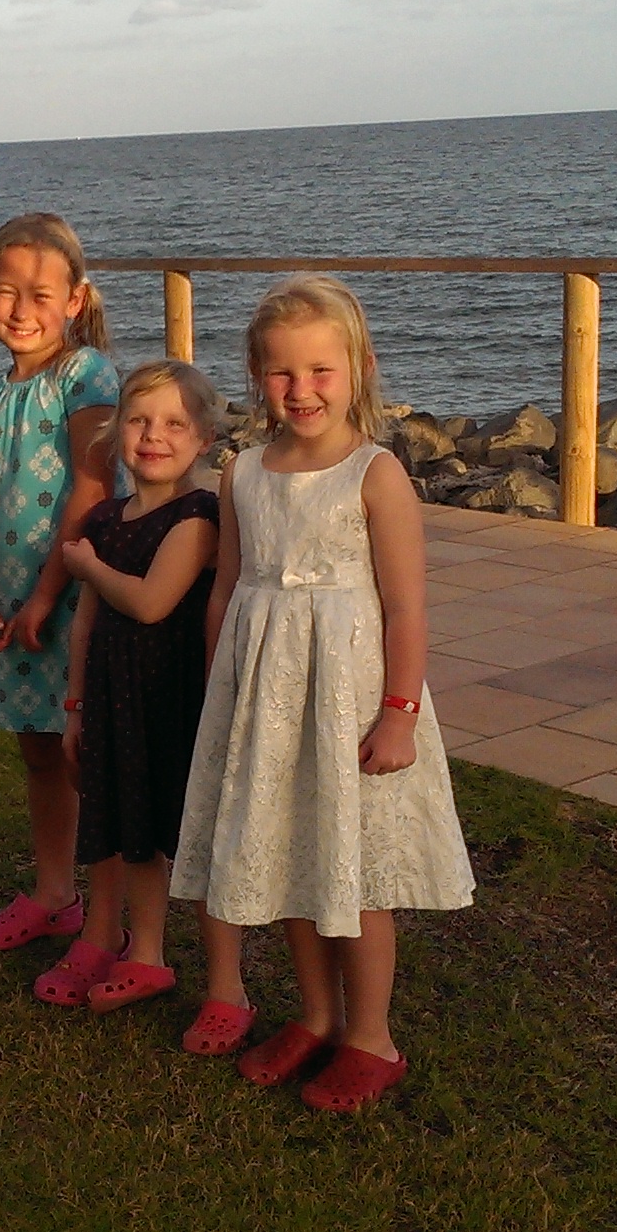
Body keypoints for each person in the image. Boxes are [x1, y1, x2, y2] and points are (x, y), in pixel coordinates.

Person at [170, 274, 477, 1113]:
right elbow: (227, 590)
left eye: (320, 370)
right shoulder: (242, 474)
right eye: (281, 372)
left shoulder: (375, 474)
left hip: (352, 704)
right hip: (267, 705)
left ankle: (371, 1037)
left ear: (359, 368)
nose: (301, 389)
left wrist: (399, 715)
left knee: (355, 872)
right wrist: (221, 695)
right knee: (294, 861)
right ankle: (315, 1016)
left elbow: (406, 607)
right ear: (256, 375)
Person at [37, 360, 225, 1011]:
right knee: (132, 828)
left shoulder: (198, 516)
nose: (154, 436)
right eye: (140, 420)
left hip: (173, 702)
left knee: (188, 837)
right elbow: (85, 626)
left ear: (203, 439)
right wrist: (75, 708)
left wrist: (87, 566)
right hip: (114, 698)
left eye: (175, 423)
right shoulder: (105, 519)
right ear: (117, 429)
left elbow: (150, 603)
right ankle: (145, 953)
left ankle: (227, 984)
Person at [0, 213, 119, 953]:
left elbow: (93, 488)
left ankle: (112, 917)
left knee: (84, 755)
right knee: (37, 750)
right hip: (12, 607)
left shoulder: (84, 377)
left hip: (73, 603)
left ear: (75, 300)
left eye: (41, 294)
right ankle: (56, 894)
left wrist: (48, 596)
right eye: (7, 291)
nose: (22, 310)